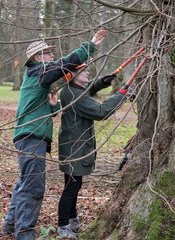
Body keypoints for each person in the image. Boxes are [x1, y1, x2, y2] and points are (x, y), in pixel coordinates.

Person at [1, 29, 108, 240]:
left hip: (30, 136)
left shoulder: (39, 80)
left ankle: (10, 225)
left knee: (24, 182)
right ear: (38, 57)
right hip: (31, 138)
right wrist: (91, 45)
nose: (52, 56)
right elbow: (65, 64)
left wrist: (51, 106)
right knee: (33, 186)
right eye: (48, 53)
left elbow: (38, 107)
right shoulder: (38, 72)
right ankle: (24, 234)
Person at [57, 63, 129, 238]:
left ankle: (72, 221)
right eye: (83, 71)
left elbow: (88, 89)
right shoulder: (75, 95)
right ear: (72, 75)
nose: (88, 72)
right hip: (75, 147)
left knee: (74, 185)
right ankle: (63, 226)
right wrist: (121, 95)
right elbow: (101, 111)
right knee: (71, 187)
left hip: (73, 145)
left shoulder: (71, 90)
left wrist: (103, 82)